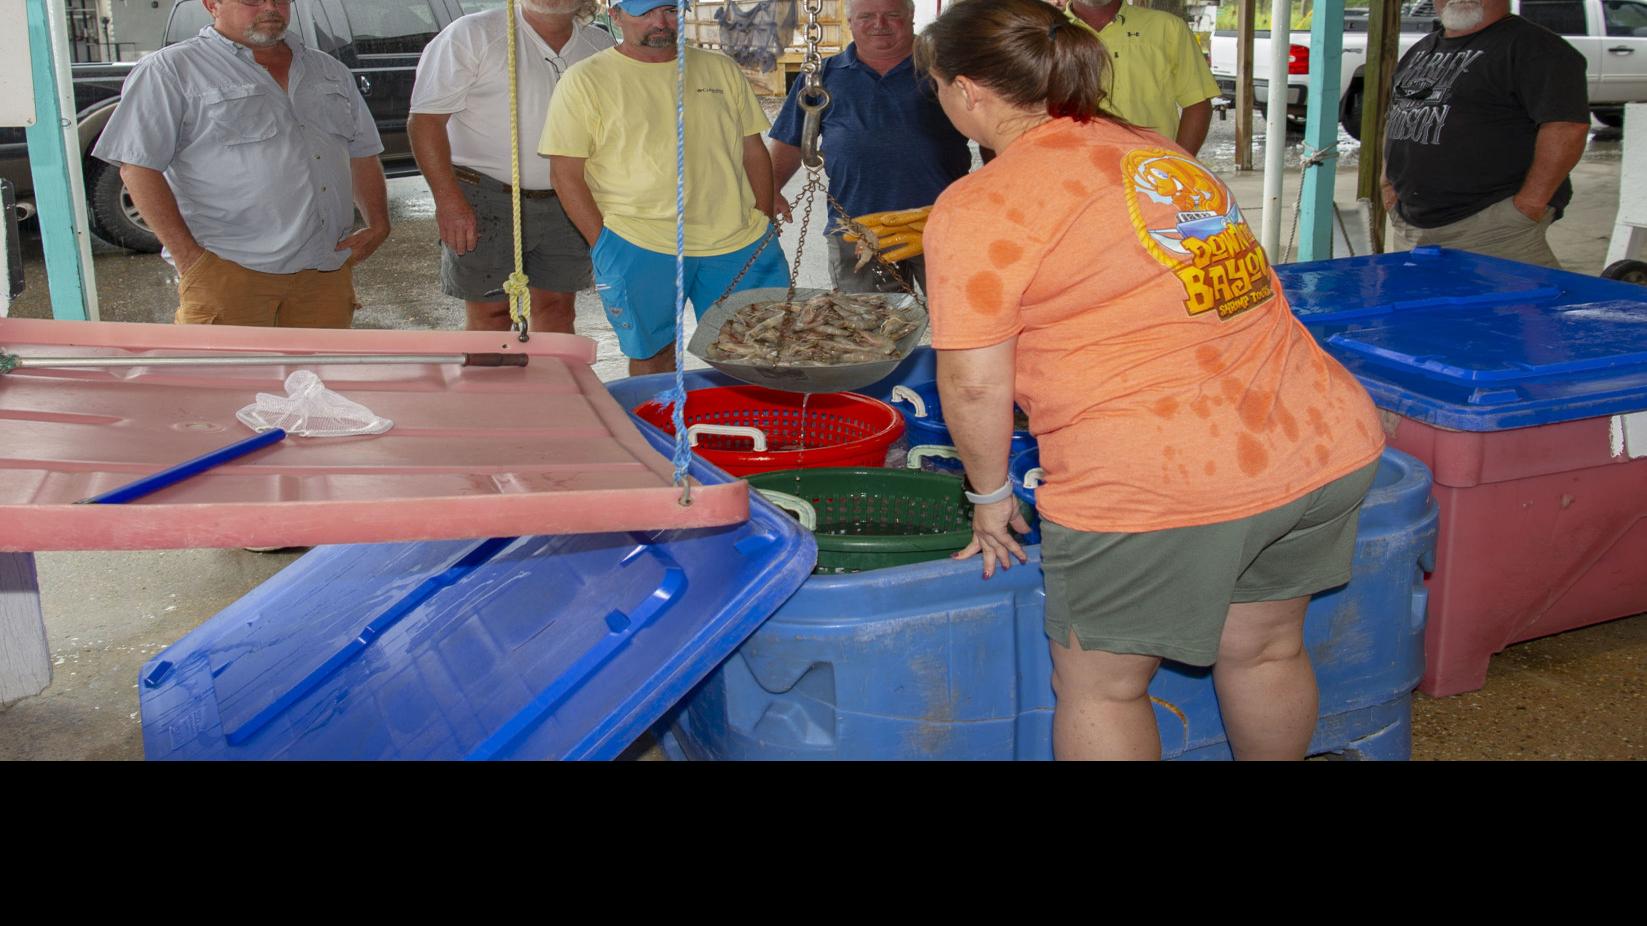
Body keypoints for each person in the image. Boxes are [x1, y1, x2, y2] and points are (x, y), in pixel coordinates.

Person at [917, 0, 1387, 760]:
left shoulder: (979, 205)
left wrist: (989, 496)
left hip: (1161, 475)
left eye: (935, 86)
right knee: (1263, 647)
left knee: (1102, 685)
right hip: (1315, 438)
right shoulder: (1152, 150)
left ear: (968, 92)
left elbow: (972, 385)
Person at [92, 0, 388, 328]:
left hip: (324, 272)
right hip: (229, 273)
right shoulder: (171, 70)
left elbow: (362, 152)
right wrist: (190, 259)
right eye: (251, 0)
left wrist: (378, 224)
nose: (270, 8)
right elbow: (137, 167)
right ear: (212, 4)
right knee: (228, 379)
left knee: (315, 377)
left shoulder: (329, 71)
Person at [542, 0, 788, 376]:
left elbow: (752, 150)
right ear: (616, 15)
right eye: (644, 12)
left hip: (738, 241)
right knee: (653, 356)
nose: (660, 23)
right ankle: (656, 433)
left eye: (671, 10)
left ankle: (745, 433)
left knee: (757, 355)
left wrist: (764, 218)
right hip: (640, 242)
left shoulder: (720, 68)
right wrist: (605, 244)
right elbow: (564, 174)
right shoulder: (584, 80)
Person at [409, 0, 613, 336]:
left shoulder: (601, 46)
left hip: (569, 198)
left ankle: (552, 387)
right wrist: (449, 202)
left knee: (558, 310)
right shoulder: (471, 35)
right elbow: (425, 122)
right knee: (490, 315)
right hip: (485, 197)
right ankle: (490, 388)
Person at [767, 0, 971, 293]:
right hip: (857, 228)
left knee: (962, 321)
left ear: (912, 18)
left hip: (942, 222)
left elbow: (993, 129)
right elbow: (790, 140)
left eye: (892, 15)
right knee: (868, 330)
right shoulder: (820, 78)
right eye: (866, 16)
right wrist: (771, 188)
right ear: (850, 22)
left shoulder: (946, 71)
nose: (879, 24)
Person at [1381, 0, 1590, 268]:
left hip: (1493, 228)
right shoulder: (1420, 50)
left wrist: (1529, 205)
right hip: (1411, 226)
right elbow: (1397, 115)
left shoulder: (1537, 48)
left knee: (1510, 309)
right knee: (1423, 309)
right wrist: (1387, 182)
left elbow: (1566, 127)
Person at [1055, 0, 1220, 156]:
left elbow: (1197, 103)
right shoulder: (1046, 33)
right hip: (1072, 171)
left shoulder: (1168, 28)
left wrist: (1177, 166)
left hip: (1149, 174)